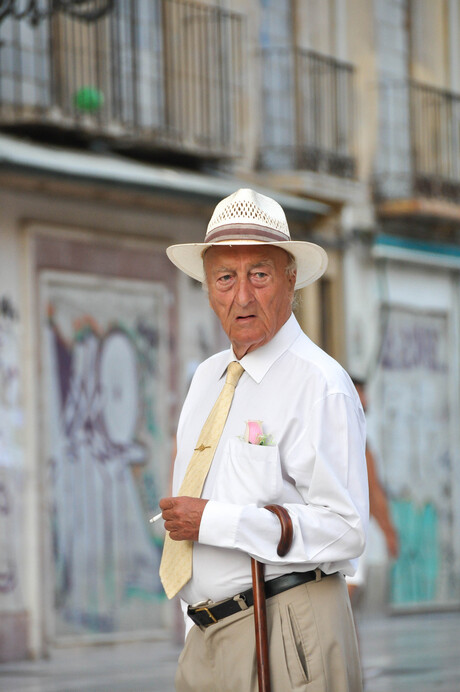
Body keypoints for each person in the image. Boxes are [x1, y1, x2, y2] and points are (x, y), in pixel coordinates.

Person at [158, 188, 369, 692]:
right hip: (208, 636)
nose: (243, 296)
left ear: (291, 279)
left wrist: (213, 520)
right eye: (226, 278)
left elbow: (346, 531)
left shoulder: (319, 383)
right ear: (208, 287)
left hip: (290, 630)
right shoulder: (207, 378)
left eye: (260, 274)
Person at [347, 378, 399, 605]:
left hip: (344, 526)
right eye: (360, 393)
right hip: (349, 527)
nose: (365, 399)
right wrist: (389, 531)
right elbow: (372, 490)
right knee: (345, 599)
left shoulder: (352, 434)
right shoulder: (354, 438)